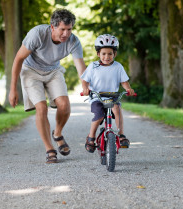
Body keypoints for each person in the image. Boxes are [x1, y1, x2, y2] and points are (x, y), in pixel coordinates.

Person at [8, 9, 86, 163]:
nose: (66, 34)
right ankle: (49, 148)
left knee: (64, 105)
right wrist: (13, 89)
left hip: (53, 71)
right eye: (62, 29)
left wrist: (85, 86)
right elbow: (18, 59)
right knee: (42, 108)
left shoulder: (73, 41)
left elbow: (80, 67)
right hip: (31, 71)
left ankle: (57, 134)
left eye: (69, 29)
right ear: (52, 27)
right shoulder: (37, 34)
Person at [81, 34, 135, 153]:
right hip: (97, 97)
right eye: (103, 53)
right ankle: (91, 137)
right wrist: (85, 89)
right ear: (98, 54)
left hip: (112, 97)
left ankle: (121, 135)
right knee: (99, 115)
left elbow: (124, 82)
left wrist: (128, 89)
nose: (107, 56)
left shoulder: (118, 66)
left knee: (117, 108)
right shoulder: (93, 66)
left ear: (114, 54)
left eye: (110, 54)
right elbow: (84, 80)